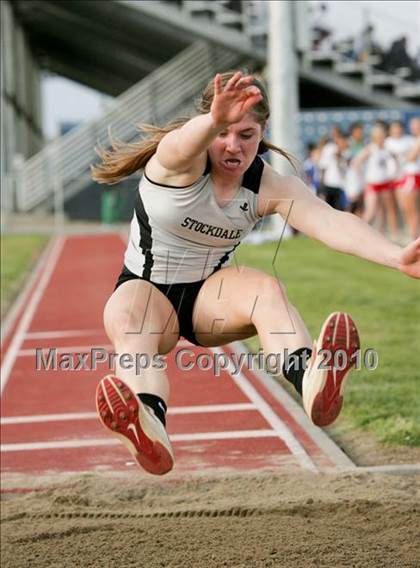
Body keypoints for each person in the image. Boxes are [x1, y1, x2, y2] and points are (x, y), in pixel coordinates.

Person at [91, 71, 420, 475]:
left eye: (246, 135)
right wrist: (212, 121)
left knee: (266, 289)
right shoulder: (176, 162)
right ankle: (148, 422)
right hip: (146, 291)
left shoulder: (268, 185)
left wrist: (396, 256)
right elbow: (181, 142)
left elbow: (330, 222)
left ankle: (311, 379)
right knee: (130, 323)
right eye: (222, 132)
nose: (233, 146)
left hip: (209, 299)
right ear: (207, 125)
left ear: (263, 131)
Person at [353, 122, 400, 240]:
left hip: (385, 183)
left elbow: (393, 164)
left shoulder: (386, 149)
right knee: (370, 211)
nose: (382, 137)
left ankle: (385, 236)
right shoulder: (370, 148)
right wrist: (363, 178)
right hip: (373, 184)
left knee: (386, 211)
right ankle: (358, 234)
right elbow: (356, 162)